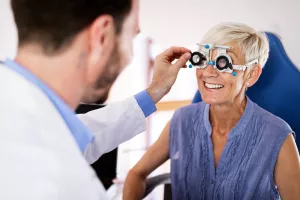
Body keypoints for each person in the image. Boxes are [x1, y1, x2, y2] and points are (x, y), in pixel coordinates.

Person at [0, 0, 192, 199]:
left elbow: (81, 134)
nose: (130, 54)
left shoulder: (19, 114)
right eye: (132, 36)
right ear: (102, 36)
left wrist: (152, 93)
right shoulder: (58, 182)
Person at [123, 22, 300, 200]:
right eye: (202, 59)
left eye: (223, 62)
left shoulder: (277, 136)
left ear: (251, 74)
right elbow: (136, 174)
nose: (207, 72)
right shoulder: (182, 120)